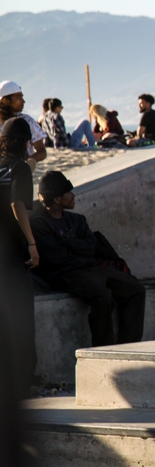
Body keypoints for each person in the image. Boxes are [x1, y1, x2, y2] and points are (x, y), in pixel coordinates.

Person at [30, 170, 145, 347]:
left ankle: (129, 346)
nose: (73, 196)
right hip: (65, 274)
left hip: (90, 267)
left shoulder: (78, 220)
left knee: (135, 289)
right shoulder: (40, 225)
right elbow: (55, 257)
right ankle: (103, 350)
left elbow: (91, 247)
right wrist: (77, 247)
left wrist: (67, 243)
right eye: (68, 193)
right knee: (102, 296)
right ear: (57, 199)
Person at [0, 118, 39, 388]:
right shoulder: (19, 168)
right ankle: (23, 380)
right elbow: (18, 204)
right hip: (12, 253)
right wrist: (32, 244)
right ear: (25, 142)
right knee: (22, 316)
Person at [0, 80, 48, 171]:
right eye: (19, 97)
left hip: (21, 175)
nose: (23, 101)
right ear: (6, 100)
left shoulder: (27, 121)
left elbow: (42, 151)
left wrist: (28, 162)